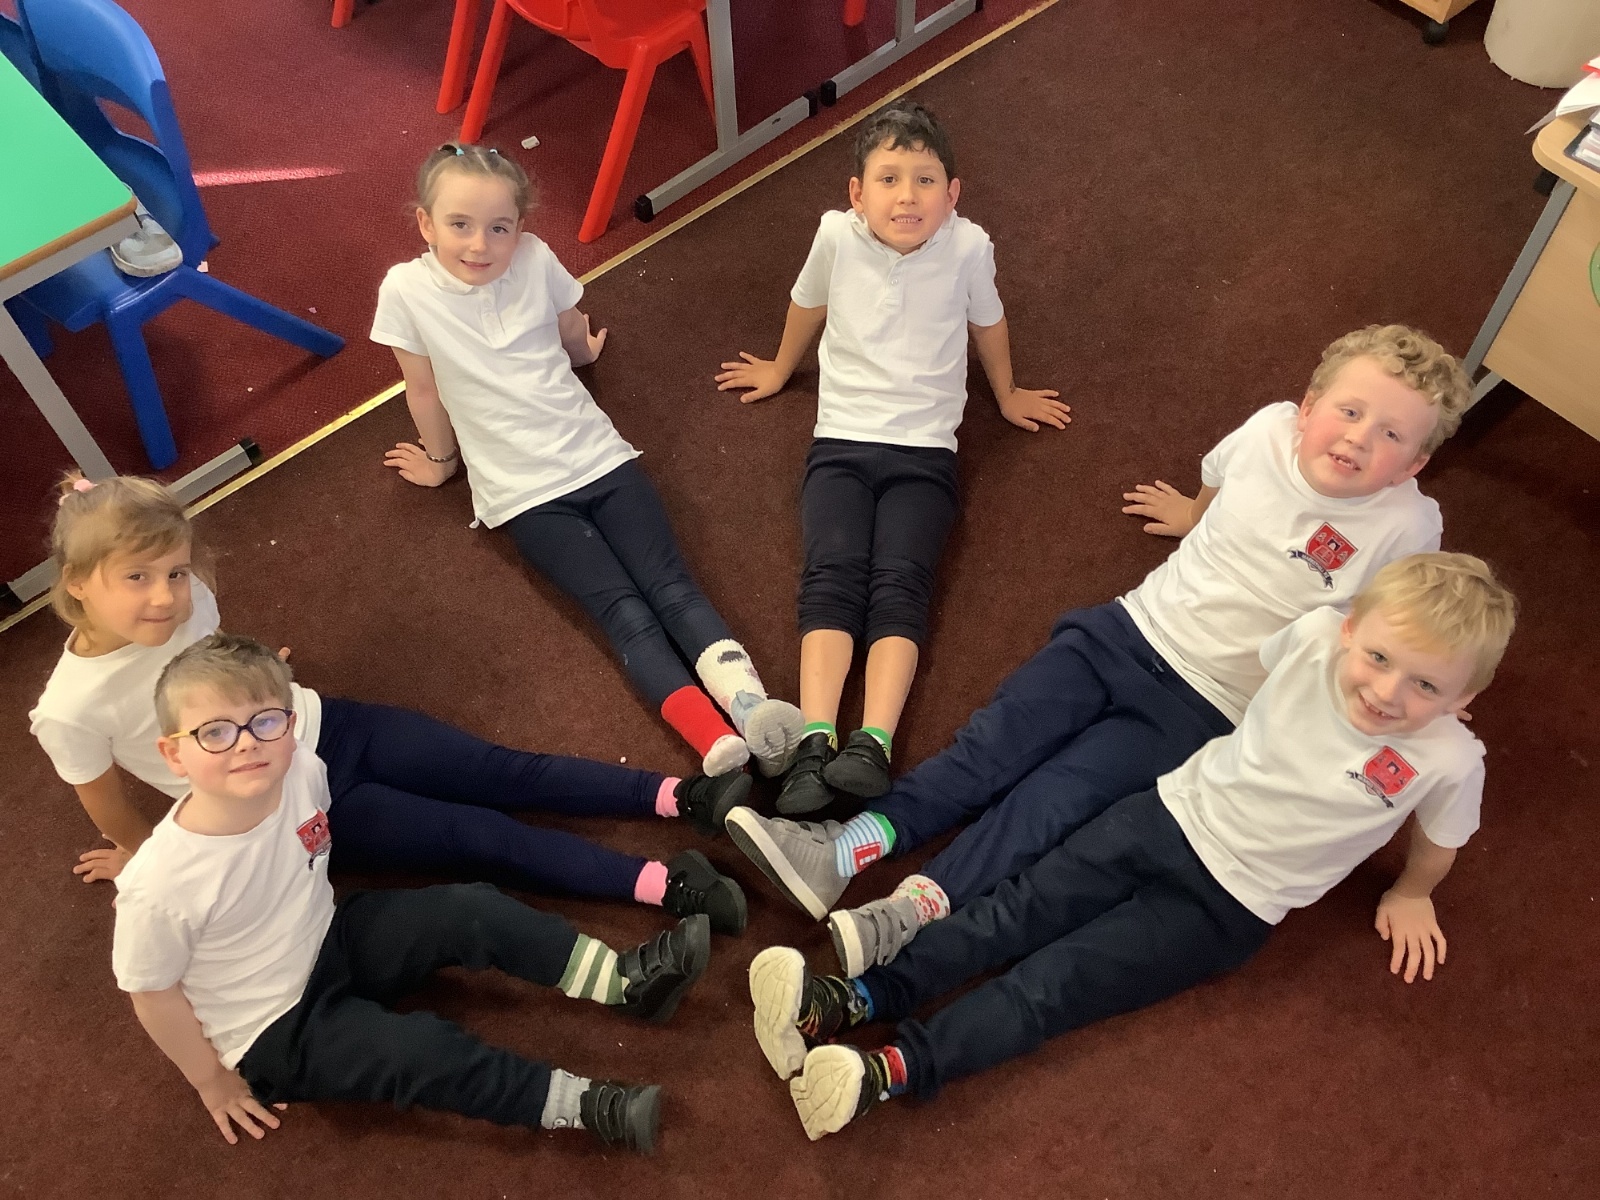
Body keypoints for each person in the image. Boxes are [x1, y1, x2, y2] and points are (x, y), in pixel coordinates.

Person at [723, 324, 1470, 975]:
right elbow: (1218, 481)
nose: (1359, 438)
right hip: (1124, 630)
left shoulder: (1407, 527)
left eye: (1392, 436)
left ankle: (913, 908)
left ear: (1414, 465)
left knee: (1055, 801)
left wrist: (1416, 700)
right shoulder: (1269, 430)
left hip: (1204, 706)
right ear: (1307, 408)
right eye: (1349, 411)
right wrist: (1195, 517)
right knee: (992, 743)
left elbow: (1395, 628)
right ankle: (842, 852)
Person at [748, 553, 1516, 1140]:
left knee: (1054, 986)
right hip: (1163, 813)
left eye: (1427, 687)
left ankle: (890, 1071)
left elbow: (1440, 837)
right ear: (1349, 630)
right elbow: (1270, 675)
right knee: (1010, 914)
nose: (1387, 693)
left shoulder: (1452, 760)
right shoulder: (1315, 636)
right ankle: (852, 1000)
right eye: (1379, 658)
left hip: (1228, 908)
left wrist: (1413, 891)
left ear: (1466, 700)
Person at [28, 475, 746, 933]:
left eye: (176, 572)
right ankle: (662, 886)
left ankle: (681, 797)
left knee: (503, 770)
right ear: (77, 583)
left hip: (329, 725)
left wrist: (260, 677)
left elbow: (213, 656)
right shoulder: (70, 708)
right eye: (137, 577)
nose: (166, 596)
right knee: (480, 836)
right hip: (293, 804)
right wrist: (141, 858)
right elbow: (107, 801)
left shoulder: (191, 601)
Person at [117, 633, 703, 1153]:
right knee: (421, 1049)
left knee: (472, 908)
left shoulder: (303, 772)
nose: (247, 744)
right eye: (215, 733)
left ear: (293, 726)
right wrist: (210, 1082)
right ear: (173, 755)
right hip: (273, 1026)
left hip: (331, 934)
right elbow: (151, 994)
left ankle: (624, 983)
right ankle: (582, 1106)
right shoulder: (160, 884)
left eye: (265, 722)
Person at [374, 142, 802, 778]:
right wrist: (584, 355)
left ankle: (724, 735)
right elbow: (571, 331)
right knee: (666, 594)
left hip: (546, 486)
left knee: (628, 613)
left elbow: (424, 389)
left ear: (521, 226)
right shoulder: (495, 266)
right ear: (425, 223)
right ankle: (745, 714)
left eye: (499, 228)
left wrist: (443, 462)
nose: (480, 244)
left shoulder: (409, 287)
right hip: (578, 473)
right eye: (460, 224)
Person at [715, 98, 1065, 814]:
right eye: (889, 179)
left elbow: (988, 321)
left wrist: (1006, 393)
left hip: (925, 452)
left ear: (953, 194)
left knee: (902, 585)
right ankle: (816, 741)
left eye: (925, 180)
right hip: (841, 442)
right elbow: (808, 304)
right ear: (857, 193)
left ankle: (872, 742)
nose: (907, 196)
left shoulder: (968, 246)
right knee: (831, 578)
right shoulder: (834, 237)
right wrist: (781, 368)